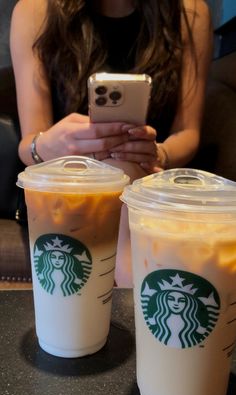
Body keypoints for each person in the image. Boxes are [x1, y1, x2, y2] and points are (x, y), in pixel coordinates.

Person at [10, 0, 213, 286]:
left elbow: (188, 133)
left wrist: (159, 154)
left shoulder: (189, 11)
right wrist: (47, 146)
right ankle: (130, 306)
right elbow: (28, 146)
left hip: (150, 180)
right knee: (120, 170)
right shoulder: (36, 10)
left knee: (123, 167)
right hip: (64, 182)